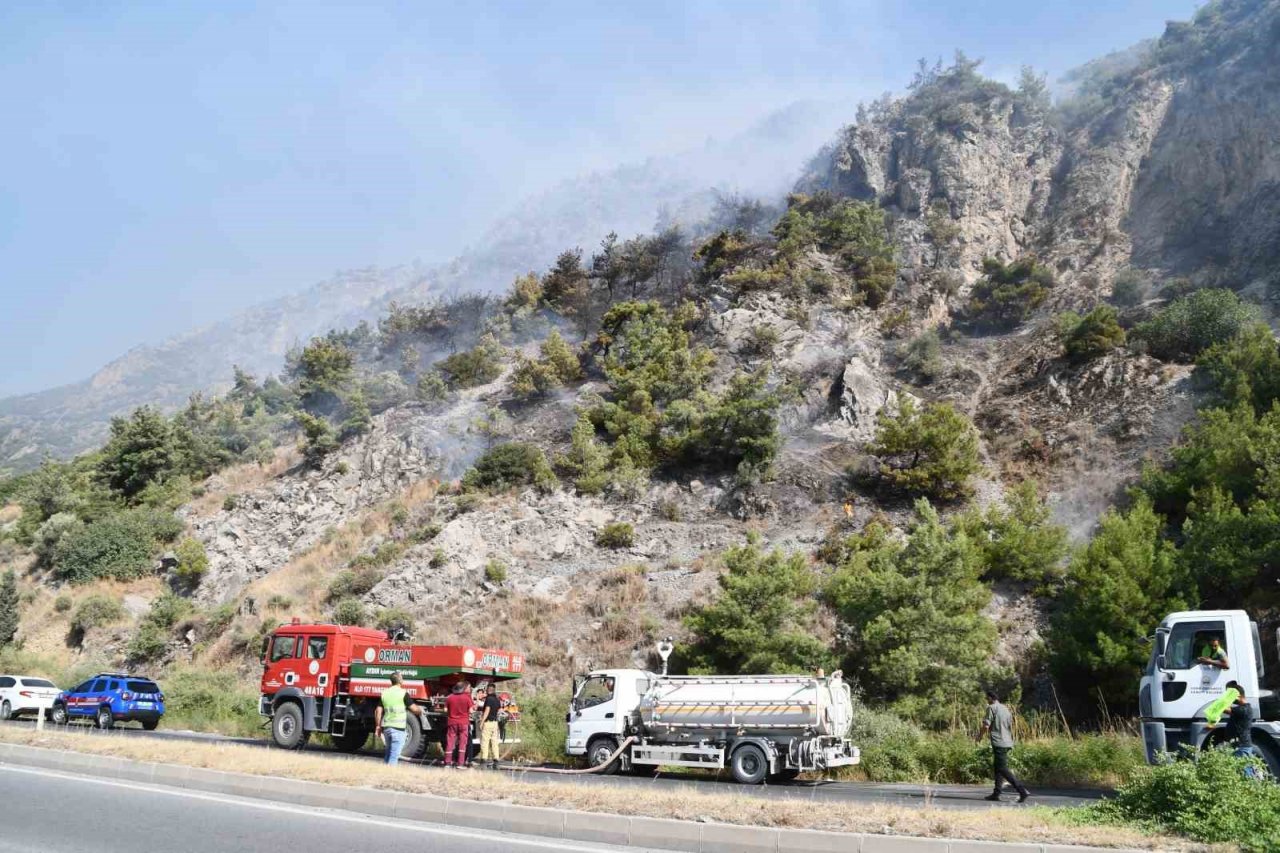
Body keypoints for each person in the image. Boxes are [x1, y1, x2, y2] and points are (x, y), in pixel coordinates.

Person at [977, 690, 1029, 803]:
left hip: (998, 742)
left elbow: (986, 726)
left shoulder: (991, 708)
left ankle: (1022, 791)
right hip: (1007, 741)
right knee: (997, 768)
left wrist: (979, 737)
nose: (987, 701)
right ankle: (996, 793)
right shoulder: (1006, 709)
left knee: (1002, 768)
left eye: (987, 698)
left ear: (991, 698)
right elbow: (1010, 725)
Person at [373, 672, 422, 766]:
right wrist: (420, 711)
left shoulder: (385, 693)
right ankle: (390, 776)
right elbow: (414, 709)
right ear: (400, 681)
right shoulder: (403, 693)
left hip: (387, 728)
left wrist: (378, 726)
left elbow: (378, 711)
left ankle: (383, 772)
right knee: (394, 755)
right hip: (398, 729)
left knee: (388, 753)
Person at [1222, 680, 1263, 779]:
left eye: (1232, 696)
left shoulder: (1243, 709)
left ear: (1238, 696)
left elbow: (1223, 708)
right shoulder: (1242, 709)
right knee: (1244, 771)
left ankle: (1253, 789)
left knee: (1246, 774)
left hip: (1241, 746)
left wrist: (1228, 697)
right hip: (1240, 745)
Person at [443, 681, 472, 769]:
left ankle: (447, 762)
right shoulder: (467, 698)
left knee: (450, 742)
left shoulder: (449, 698)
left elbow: (445, 710)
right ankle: (460, 763)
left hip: (452, 722)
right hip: (463, 723)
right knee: (462, 743)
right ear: (463, 689)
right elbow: (471, 711)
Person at [478, 684, 503, 770]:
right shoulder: (497, 699)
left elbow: (487, 710)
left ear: (488, 690)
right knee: (494, 743)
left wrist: (481, 722)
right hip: (495, 723)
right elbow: (500, 710)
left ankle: (483, 762)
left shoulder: (488, 699)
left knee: (485, 742)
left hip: (488, 723)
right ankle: (496, 761)